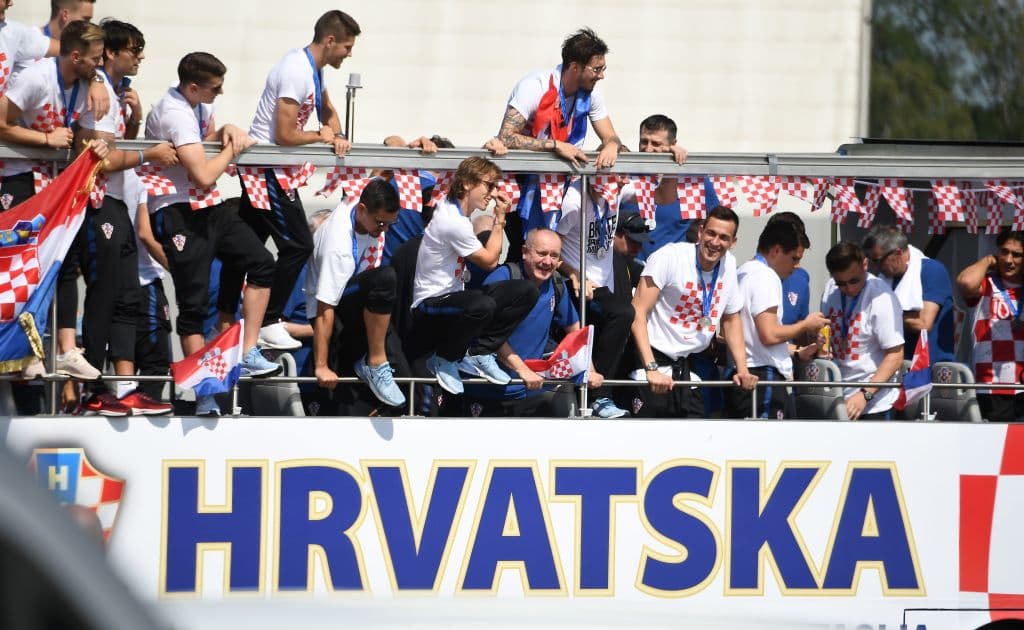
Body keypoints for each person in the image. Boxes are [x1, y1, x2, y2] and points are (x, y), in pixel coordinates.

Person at [144, 51, 281, 416]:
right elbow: (203, 173)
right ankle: (203, 391)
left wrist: (225, 132)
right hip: (178, 212)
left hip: (209, 208)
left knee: (263, 262)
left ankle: (248, 348)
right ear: (193, 86)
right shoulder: (174, 112)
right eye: (215, 89)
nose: (219, 94)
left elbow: (204, 142)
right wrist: (233, 148)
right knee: (193, 304)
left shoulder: (194, 105)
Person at [225, 9, 359, 352]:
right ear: (329, 41)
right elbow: (284, 134)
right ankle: (270, 319)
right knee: (298, 244)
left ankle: (228, 317)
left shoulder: (313, 70)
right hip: (266, 168)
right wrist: (322, 136)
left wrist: (338, 134)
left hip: (277, 169)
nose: (349, 53)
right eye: (346, 46)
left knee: (249, 243)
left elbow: (326, 109)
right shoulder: (295, 71)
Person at [70, 18, 177, 415]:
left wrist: (133, 122)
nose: (141, 56)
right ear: (111, 52)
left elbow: (117, 147)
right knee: (104, 297)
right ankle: (94, 386)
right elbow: (98, 160)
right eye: (134, 49)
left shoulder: (117, 93)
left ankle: (125, 386)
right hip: (100, 204)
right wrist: (149, 153)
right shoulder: (100, 93)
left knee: (128, 298)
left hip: (122, 204)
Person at [0, 20, 107, 386]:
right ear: (75, 56)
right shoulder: (36, 78)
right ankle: (23, 350)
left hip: (58, 181)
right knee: (24, 263)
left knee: (65, 260)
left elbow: (84, 137)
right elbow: (1, 122)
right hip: (19, 174)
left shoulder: (90, 83)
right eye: (95, 60)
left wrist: (96, 145)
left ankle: (65, 348)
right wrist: (45, 139)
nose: (101, 65)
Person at [409, 156, 538, 395]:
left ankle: (479, 351)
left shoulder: (460, 217)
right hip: (429, 306)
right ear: (468, 183)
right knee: (482, 305)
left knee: (525, 291)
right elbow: (490, 261)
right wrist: (499, 220)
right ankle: (445, 358)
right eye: (488, 185)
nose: (492, 193)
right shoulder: (452, 220)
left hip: (453, 298)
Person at [496, 28, 628, 258]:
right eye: (596, 69)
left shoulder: (591, 94)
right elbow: (505, 137)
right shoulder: (535, 85)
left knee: (552, 254)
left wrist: (611, 145)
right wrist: (556, 146)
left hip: (560, 185)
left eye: (603, 69)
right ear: (575, 66)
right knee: (525, 254)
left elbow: (611, 136)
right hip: (521, 187)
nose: (601, 76)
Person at [628, 205, 758, 417]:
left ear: (733, 243)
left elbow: (731, 319)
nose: (715, 242)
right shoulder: (671, 256)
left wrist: (742, 369)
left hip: (689, 368)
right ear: (700, 231)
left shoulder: (729, 265)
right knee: (650, 445)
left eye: (724, 237)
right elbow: (637, 312)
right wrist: (651, 368)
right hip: (652, 364)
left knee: (692, 446)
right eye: (711, 233)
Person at [461, 228, 602, 416]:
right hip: (486, 391)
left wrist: (589, 370)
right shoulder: (503, 278)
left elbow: (575, 330)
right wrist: (522, 369)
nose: (547, 262)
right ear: (525, 252)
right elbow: (488, 333)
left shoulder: (556, 284)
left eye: (554, 256)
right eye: (542, 254)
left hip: (531, 391)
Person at [306, 178, 406, 409]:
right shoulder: (337, 248)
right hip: (333, 315)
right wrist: (320, 365)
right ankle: (375, 362)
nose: (385, 230)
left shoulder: (361, 196)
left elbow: (379, 172)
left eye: (391, 223)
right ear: (362, 210)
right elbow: (323, 310)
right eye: (381, 223)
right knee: (385, 278)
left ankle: (374, 361)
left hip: (355, 301)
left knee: (407, 381)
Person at [726, 221, 828, 419]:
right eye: (794, 258)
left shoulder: (742, 271)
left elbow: (752, 337)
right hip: (762, 379)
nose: (796, 266)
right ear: (776, 250)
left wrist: (797, 352)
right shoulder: (766, 276)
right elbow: (769, 335)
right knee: (767, 448)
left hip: (746, 375)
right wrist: (805, 325)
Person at [556, 178, 632, 418]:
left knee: (618, 320)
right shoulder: (574, 201)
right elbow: (547, 247)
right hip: (576, 285)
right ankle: (600, 396)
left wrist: (672, 151)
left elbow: (660, 185)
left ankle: (597, 394)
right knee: (623, 313)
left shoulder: (617, 188)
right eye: (616, 177)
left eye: (624, 176)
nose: (622, 182)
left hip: (604, 288)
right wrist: (573, 273)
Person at [821, 242, 904, 421]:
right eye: (841, 283)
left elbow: (895, 355)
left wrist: (865, 395)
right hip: (836, 397)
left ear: (865, 265)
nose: (849, 288)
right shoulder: (830, 289)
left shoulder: (881, 298)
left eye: (854, 281)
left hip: (874, 404)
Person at [955, 228, 1024, 421]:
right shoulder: (986, 283)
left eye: (1017, 255)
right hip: (992, 384)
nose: (1009, 260)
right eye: (1004, 252)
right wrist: (987, 260)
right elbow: (965, 282)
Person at [863, 224, 955, 364]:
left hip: (930, 367)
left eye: (878, 260)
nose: (875, 267)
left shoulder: (931, 271)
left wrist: (879, 314)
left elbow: (923, 323)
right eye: (871, 261)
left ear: (898, 253)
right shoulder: (884, 279)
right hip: (894, 364)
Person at [620, 114, 696, 263]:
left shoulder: (692, 181)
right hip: (627, 272)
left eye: (655, 143)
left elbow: (712, 225)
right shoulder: (624, 177)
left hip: (674, 275)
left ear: (673, 144)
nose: (648, 149)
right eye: (644, 142)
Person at [766, 211, 812, 330]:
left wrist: (812, 335)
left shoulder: (801, 279)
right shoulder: (744, 278)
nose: (797, 266)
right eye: (794, 258)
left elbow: (801, 335)